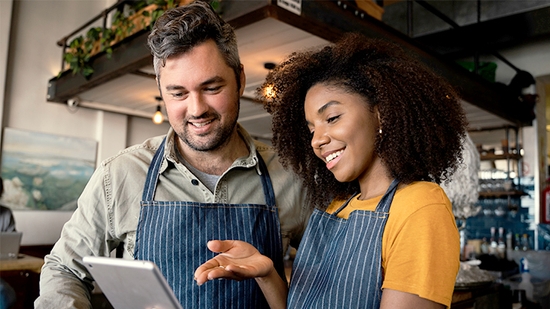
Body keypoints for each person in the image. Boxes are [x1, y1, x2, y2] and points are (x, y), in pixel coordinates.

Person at [35, 1, 309, 308]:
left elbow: (326, 277)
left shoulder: (290, 175)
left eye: (212, 87)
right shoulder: (121, 174)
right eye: (178, 93)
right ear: (160, 89)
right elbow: (64, 268)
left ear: (240, 79)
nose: (196, 109)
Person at [194, 33, 467, 309]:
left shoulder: (420, 207)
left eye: (332, 118)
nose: (317, 140)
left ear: (381, 112)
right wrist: (266, 273)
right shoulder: (336, 207)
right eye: (312, 129)